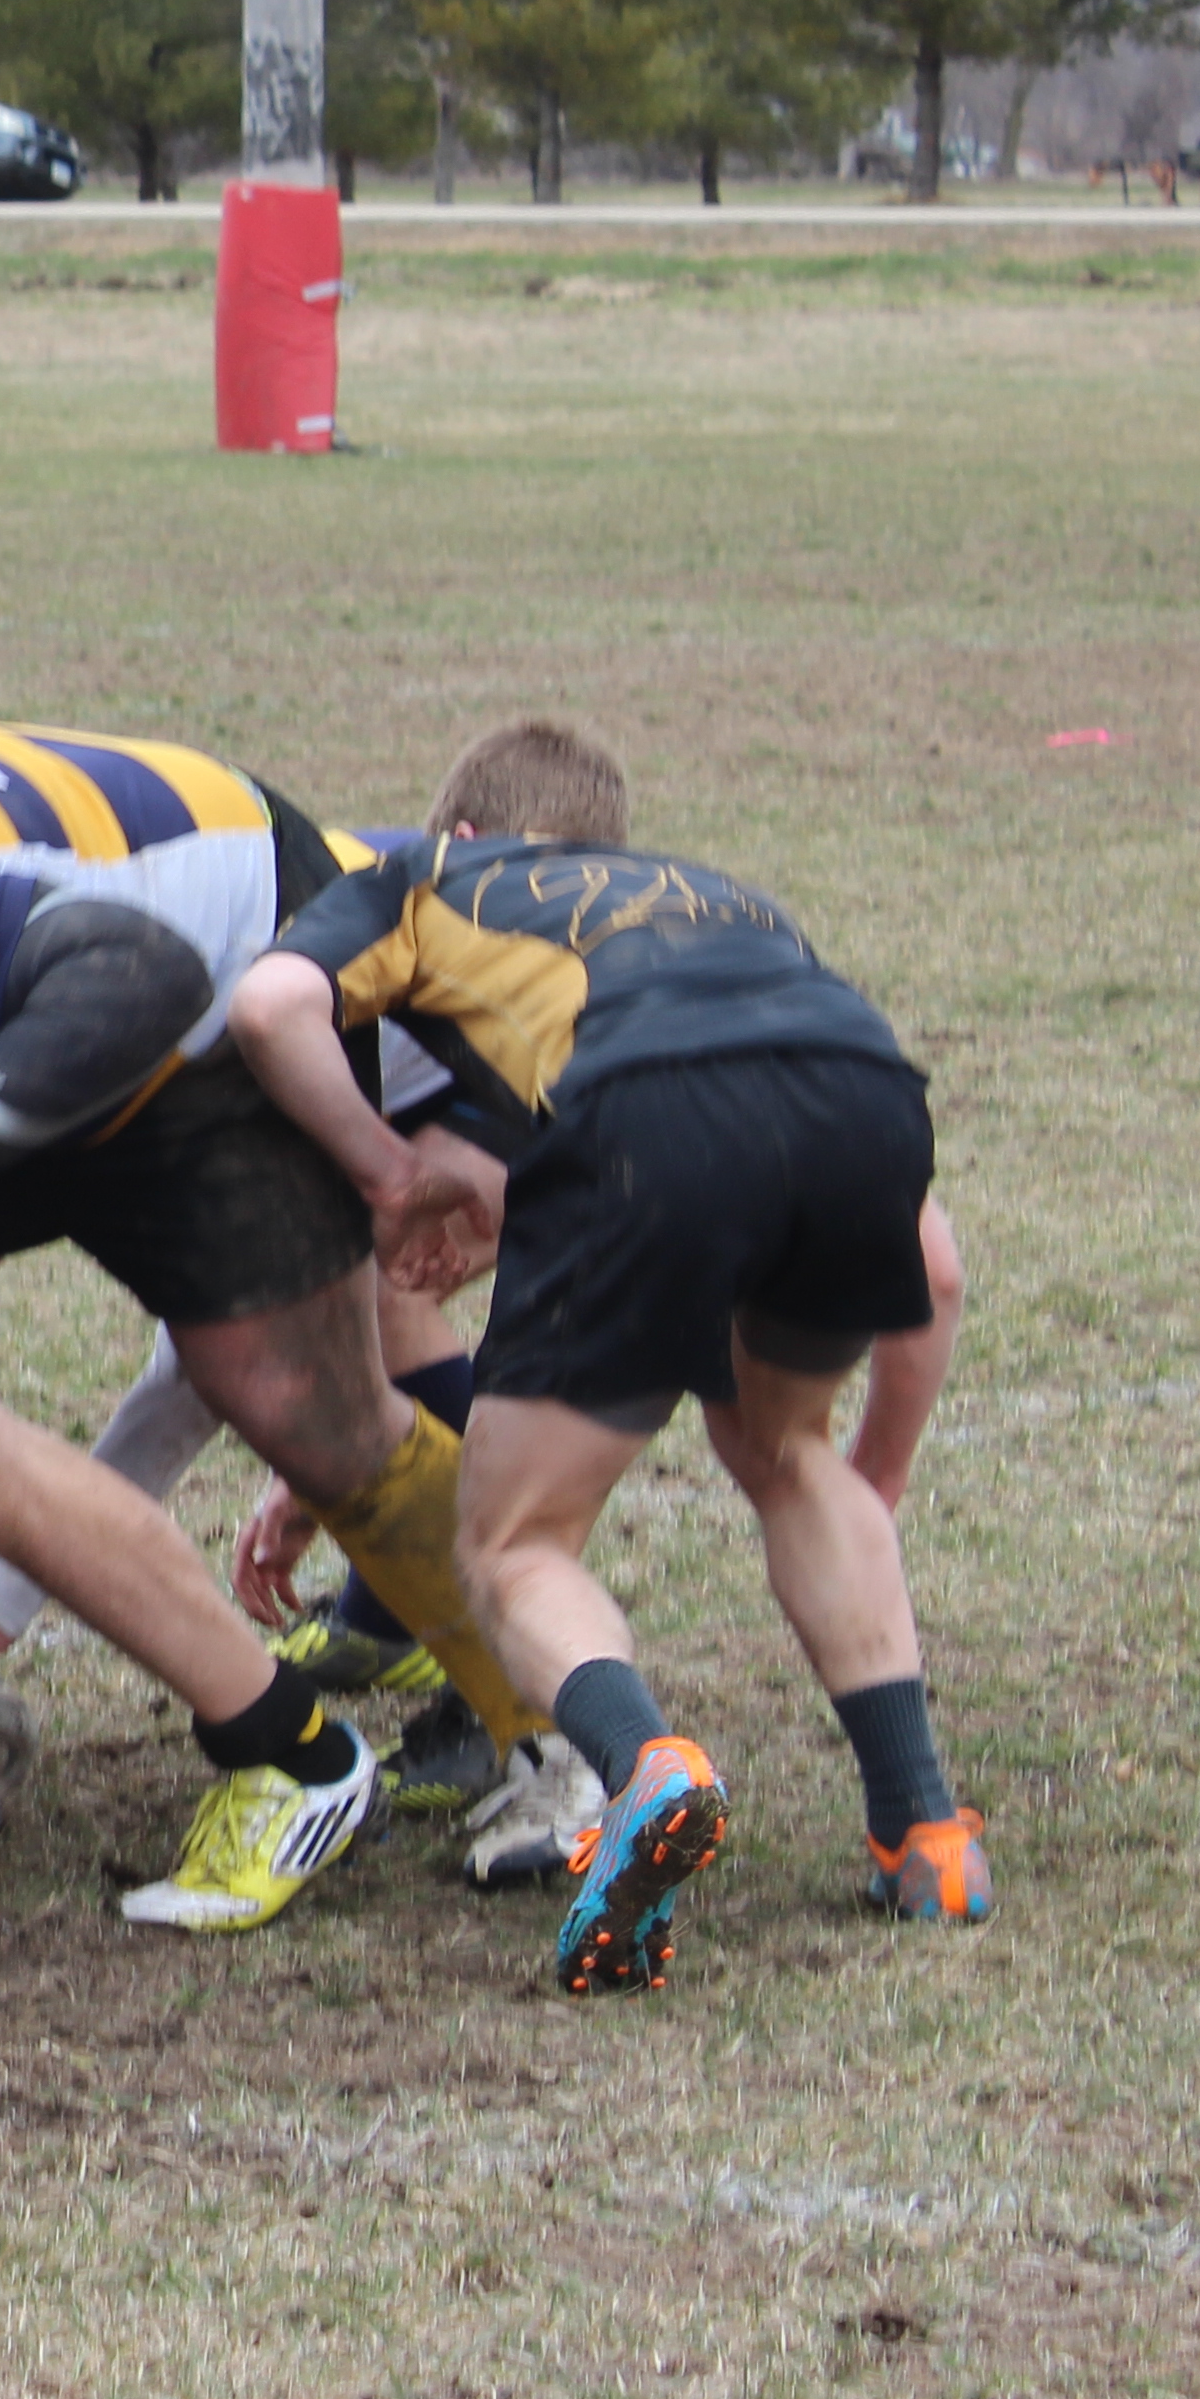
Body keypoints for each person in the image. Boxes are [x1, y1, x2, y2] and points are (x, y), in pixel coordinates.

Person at [227, 721, 982, 2002]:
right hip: (871, 1098)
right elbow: (940, 1269)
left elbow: (269, 1004)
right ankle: (925, 1828)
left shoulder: (424, 878)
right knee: (788, 1455)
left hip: (651, 1121)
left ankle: (646, 1771)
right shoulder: (725, 898)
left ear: (460, 832)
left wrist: (385, 1169)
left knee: (517, 1542)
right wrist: (872, 1490)